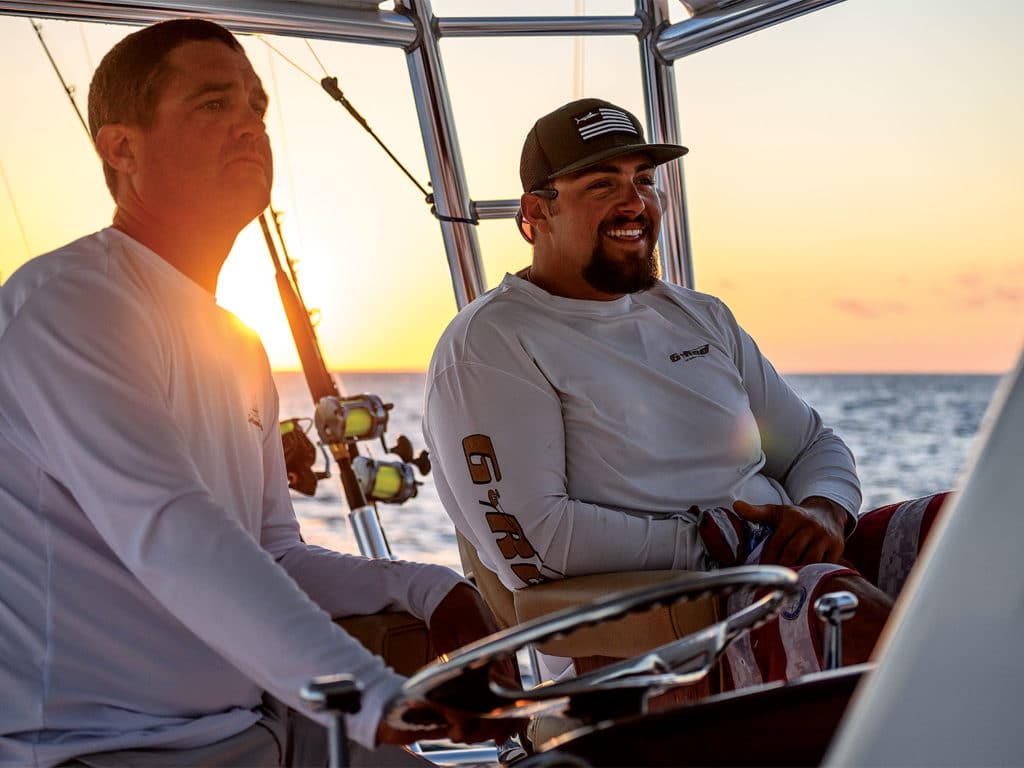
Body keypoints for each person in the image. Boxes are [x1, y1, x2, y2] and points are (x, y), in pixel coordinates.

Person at [0, 19, 507, 768]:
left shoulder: (239, 344)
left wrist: (429, 586)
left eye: (257, 107)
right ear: (120, 149)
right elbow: (170, 526)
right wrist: (369, 695)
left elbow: (272, 554)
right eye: (212, 104)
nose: (249, 126)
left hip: (262, 725)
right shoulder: (72, 301)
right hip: (94, 747)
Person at [423, 98, 949, 684]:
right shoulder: (491, 342)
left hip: (778, 563)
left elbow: (811, 446)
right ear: (536, 212)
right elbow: (538, 544)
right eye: (602, 184)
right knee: (847, 615)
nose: (635, 203)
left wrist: (822, 511)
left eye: (644, 181)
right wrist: (719, 541)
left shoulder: (700, 316)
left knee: (968, 527)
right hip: (677, 635)